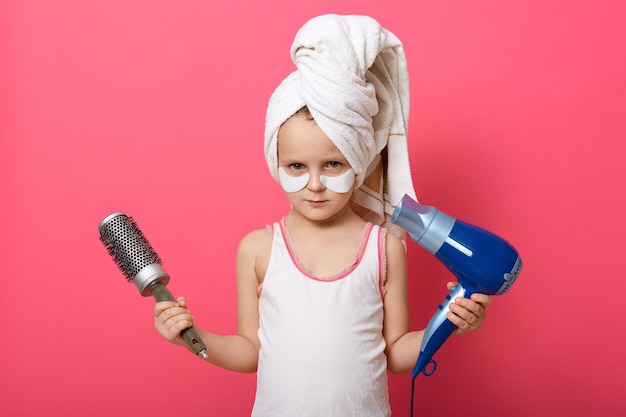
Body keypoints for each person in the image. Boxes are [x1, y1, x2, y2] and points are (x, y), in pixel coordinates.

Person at [154, 14, 493, 417]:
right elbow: (250, 352)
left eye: (333, 164)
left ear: (360, 161)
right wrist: (191, 338)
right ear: (275, 162)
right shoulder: (259, 249)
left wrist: (451, 322)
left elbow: (398, 354)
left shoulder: (384, 246)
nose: (314, 184)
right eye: (297, 166)